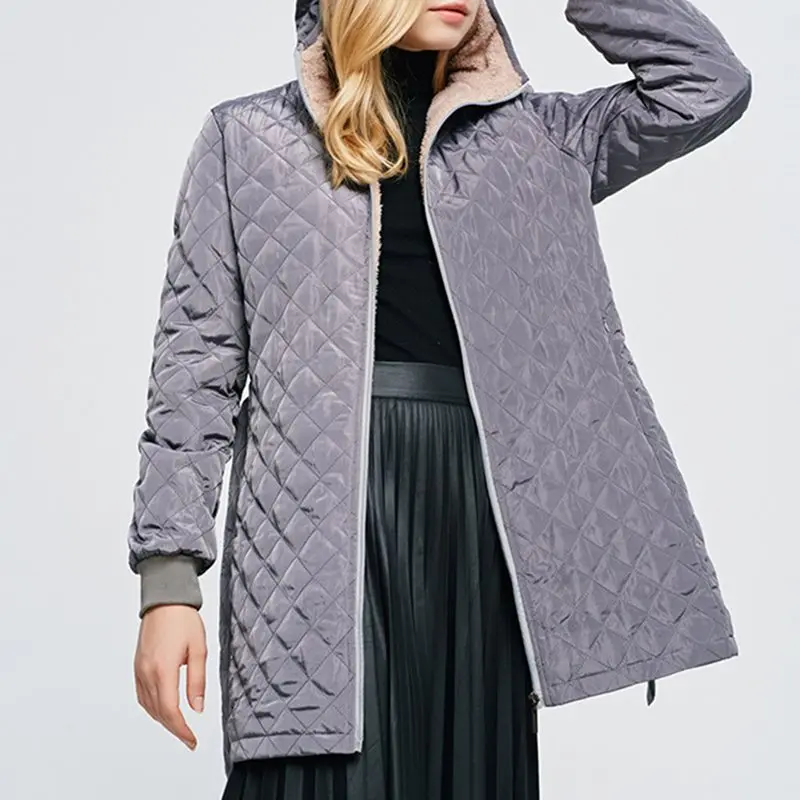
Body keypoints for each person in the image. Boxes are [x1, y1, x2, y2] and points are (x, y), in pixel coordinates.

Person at [128, 1, 751, 798]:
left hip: (483, 507)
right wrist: (168, 584)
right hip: (311, 524)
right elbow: (193, 370)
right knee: (315, 769)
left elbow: (707, 85)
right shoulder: (246, 140)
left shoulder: (540, 138)